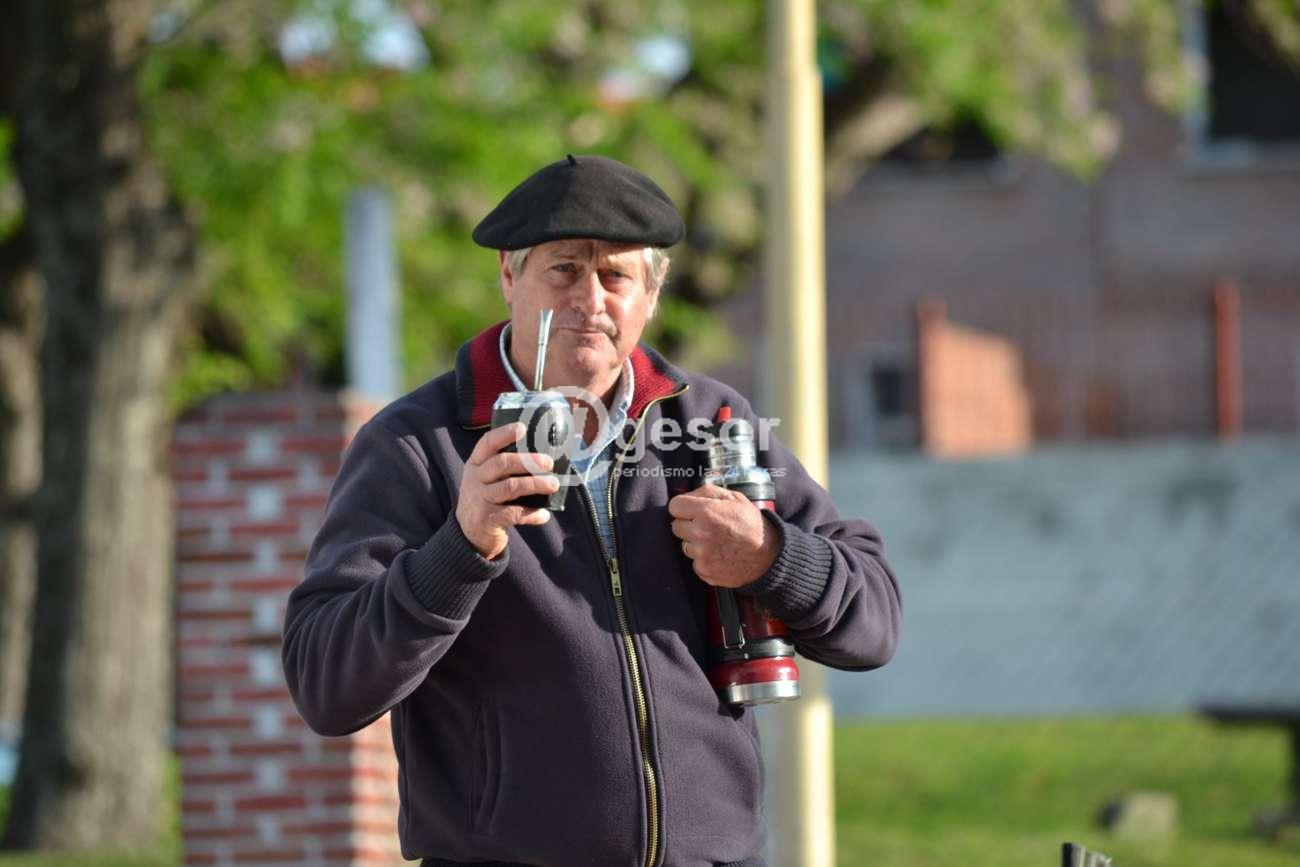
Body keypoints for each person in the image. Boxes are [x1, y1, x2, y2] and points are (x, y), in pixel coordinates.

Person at [282, 154, 902, 867]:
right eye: (564, 269)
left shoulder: (711, 423)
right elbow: (326, 685)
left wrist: (769, 556)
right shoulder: (415, 444)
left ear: (652, 294)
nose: (590, 298)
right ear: (509, 277)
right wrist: (462, 546)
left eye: (616, 276)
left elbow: (875, 622)